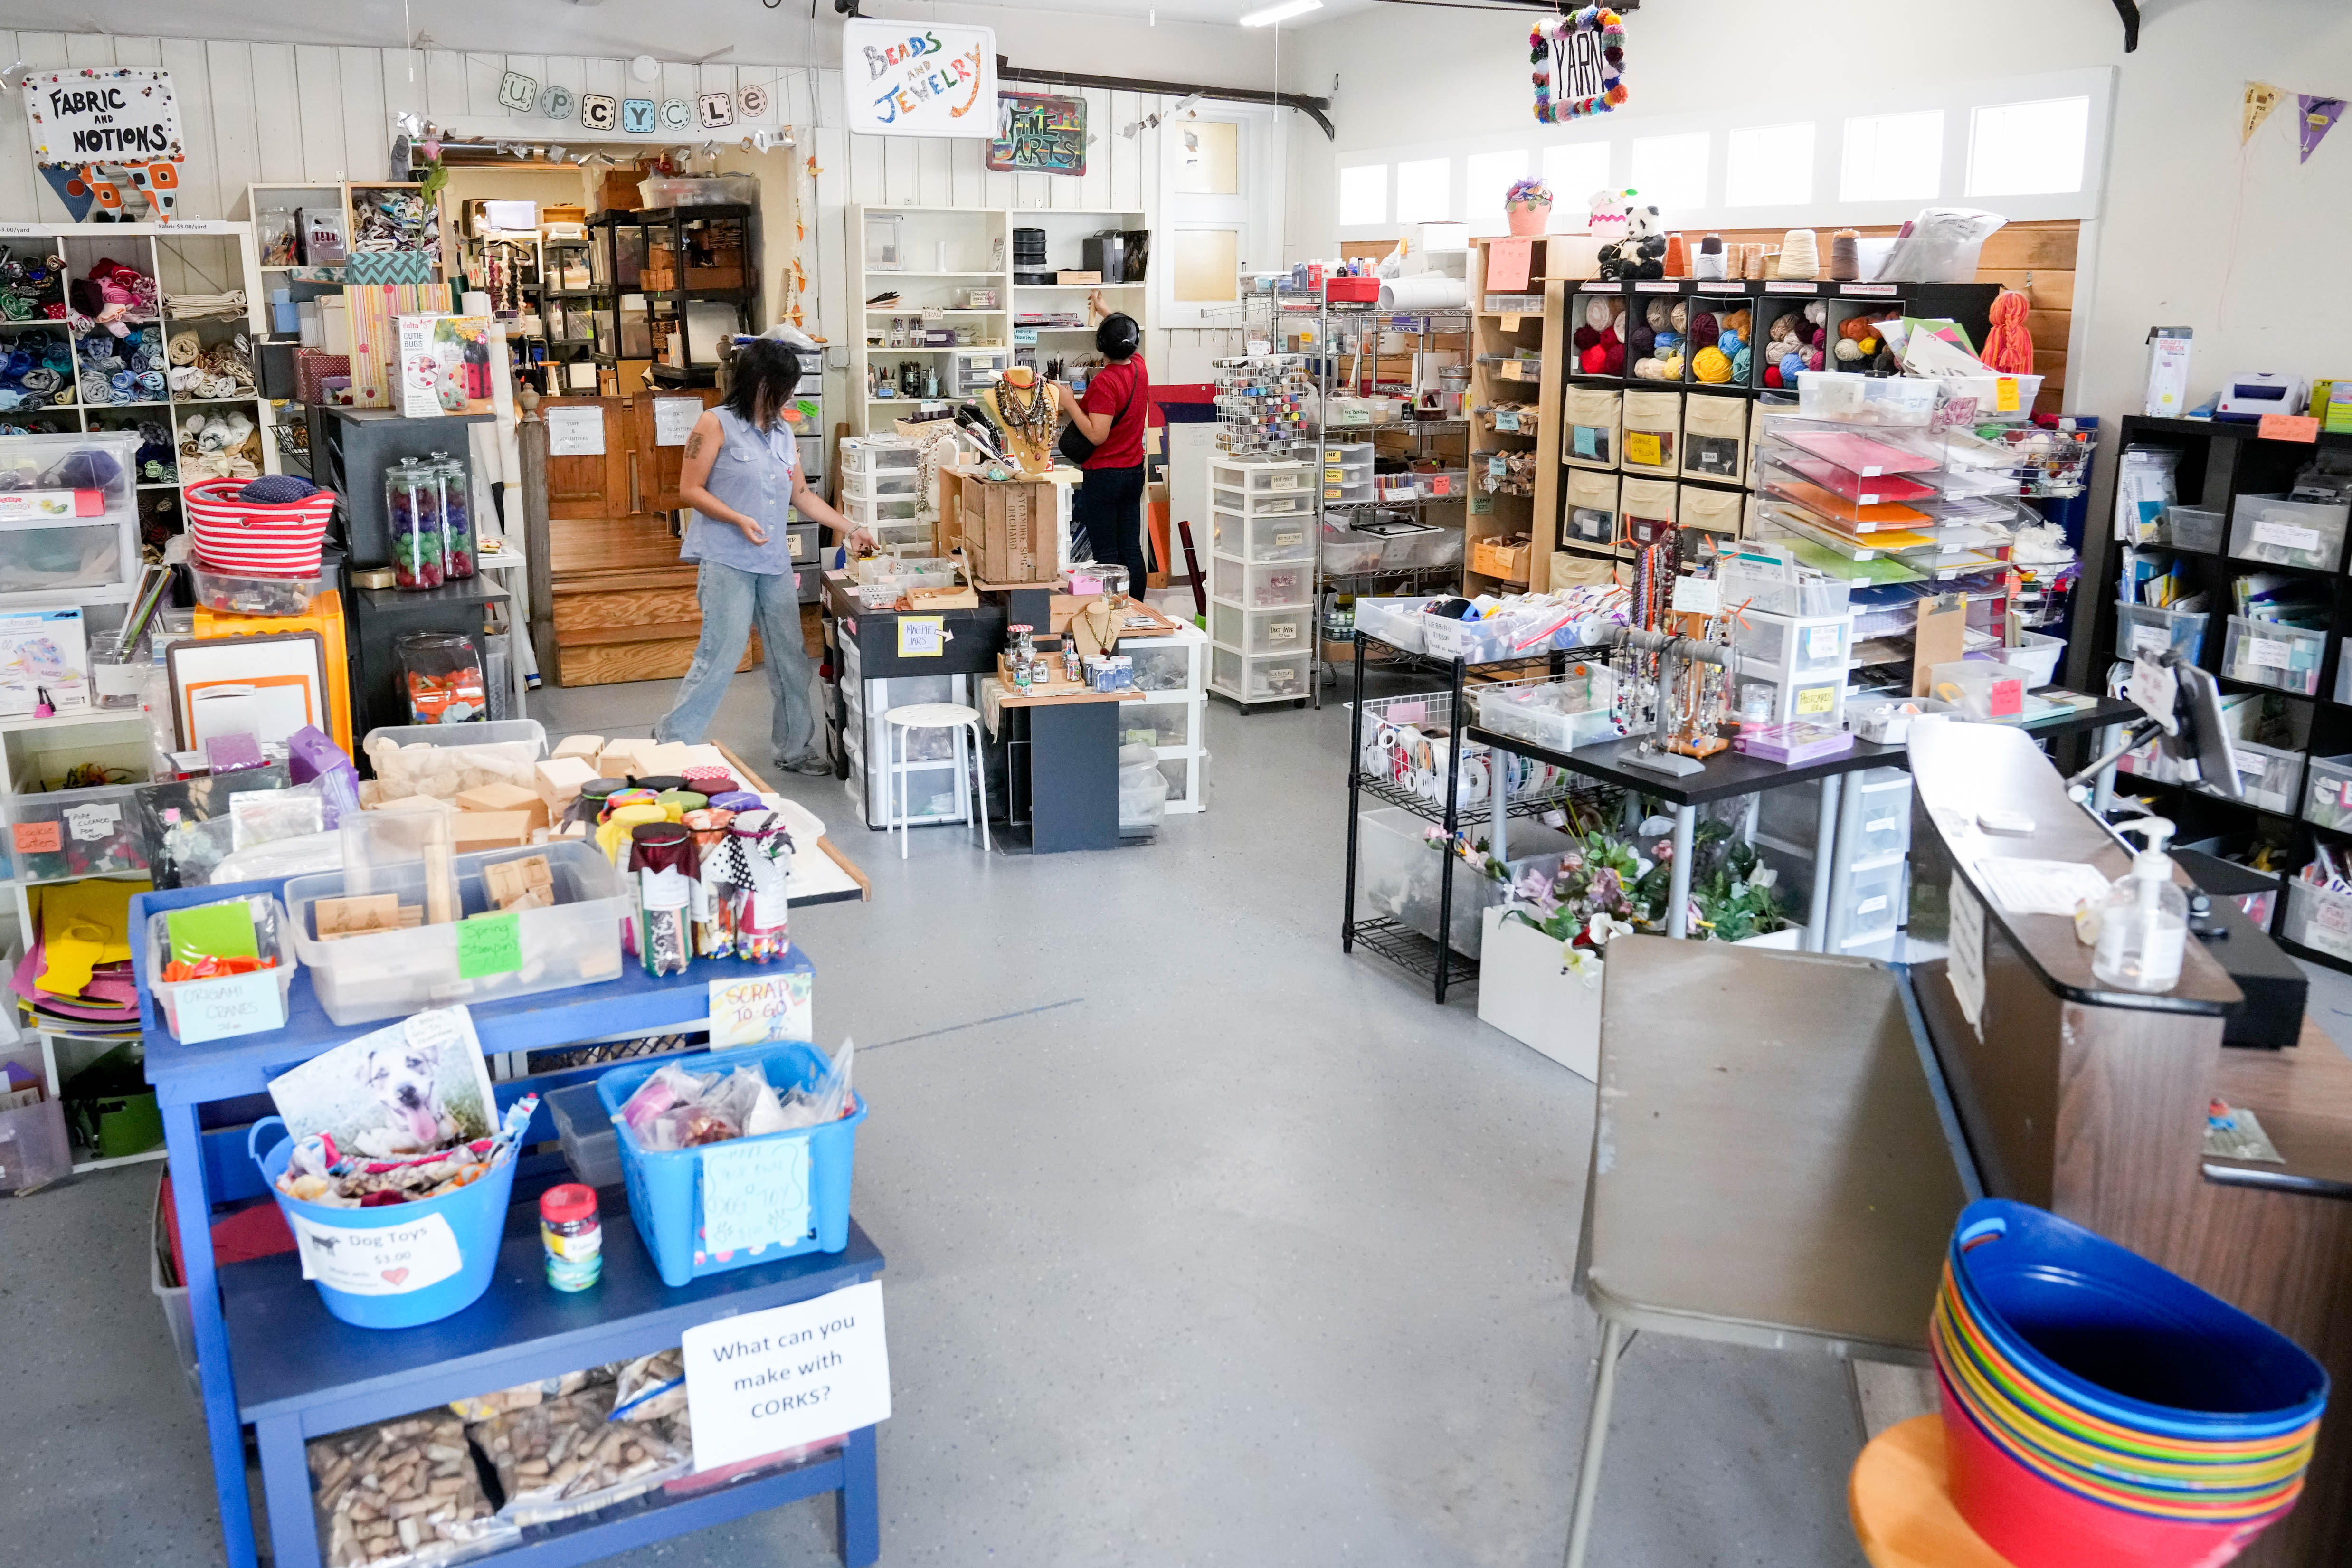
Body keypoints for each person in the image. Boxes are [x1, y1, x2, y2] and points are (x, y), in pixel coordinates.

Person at [656, 337, 872, 776]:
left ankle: (794, 749)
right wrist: (737, 518)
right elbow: (689, 490)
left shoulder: (784, 433)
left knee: (791, 658)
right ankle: (669, 745)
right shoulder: (713, 424)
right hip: (727, 560)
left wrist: (852, 529)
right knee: (719, 654)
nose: (792, 396)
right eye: (787, 386)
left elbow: (803, 496)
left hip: (773, 563)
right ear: (762, 384)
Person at [1053, 313, 1151, 594]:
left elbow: (1098, 434)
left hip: (1105, 476)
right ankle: (1137, 610)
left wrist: (1070, 402)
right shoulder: (1140, 368)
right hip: (1133, 472)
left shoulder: (1105, 382)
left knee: (1107, 553)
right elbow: (1127, 335)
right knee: (1131, 547)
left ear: (1100, 345)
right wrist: (1105, 309)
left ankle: (1111, 613)